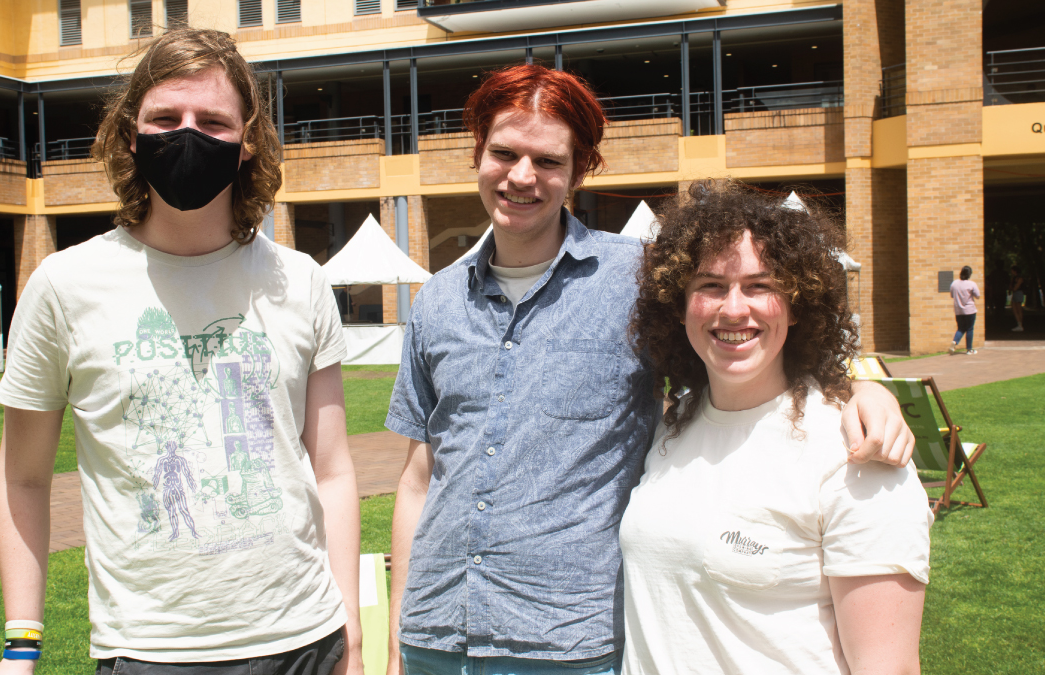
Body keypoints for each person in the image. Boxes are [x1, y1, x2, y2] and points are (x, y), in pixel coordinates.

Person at [384, 64, 916, 675]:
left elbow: (740, 338)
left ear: (579, 171)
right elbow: (419, 478)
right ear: (478, 153)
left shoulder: (637, 279)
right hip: (435, 635)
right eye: (504, 153)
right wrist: (402, 632)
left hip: (567, 642)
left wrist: (858, 391)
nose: (522, 176)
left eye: (549, 161)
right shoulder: (437, 301)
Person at [0, 28, 362, 675]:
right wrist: (21, 646)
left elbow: (332, 469)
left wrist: (350, 630)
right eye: (166, 117)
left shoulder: (299, 280)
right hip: (152, 651)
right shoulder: (63, 286)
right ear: (131, 133)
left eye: (212, 120)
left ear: (246, 143)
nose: (187, 134)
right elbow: (22, 475)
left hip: (306, 638)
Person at [621, 180, 931, 675]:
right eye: (710, 285)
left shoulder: (858, 457)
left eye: (760, 285)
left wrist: (860, 392)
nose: (734, 308)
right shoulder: (671, 429)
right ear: (679, 309)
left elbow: (887, 666)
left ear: (796, 303)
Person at [949, 265, 980, 354]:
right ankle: (969, 349)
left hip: (958, 311)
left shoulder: (954, 283)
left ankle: (955, 341)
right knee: (969, 329)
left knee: (961, 328)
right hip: (970, 310)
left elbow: (952, 295)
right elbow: (977, 296)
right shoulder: (971, 284)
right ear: (969, 274)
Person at [1009, 265, 1025, 332]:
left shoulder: (1019, 278)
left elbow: (1016, 287)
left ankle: (1020, 324)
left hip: (1018, 293)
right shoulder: (1014, 278)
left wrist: (1012, 289)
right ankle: (1019, 324)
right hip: (1016, 293)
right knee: (1016, 308)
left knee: (1018, 309)